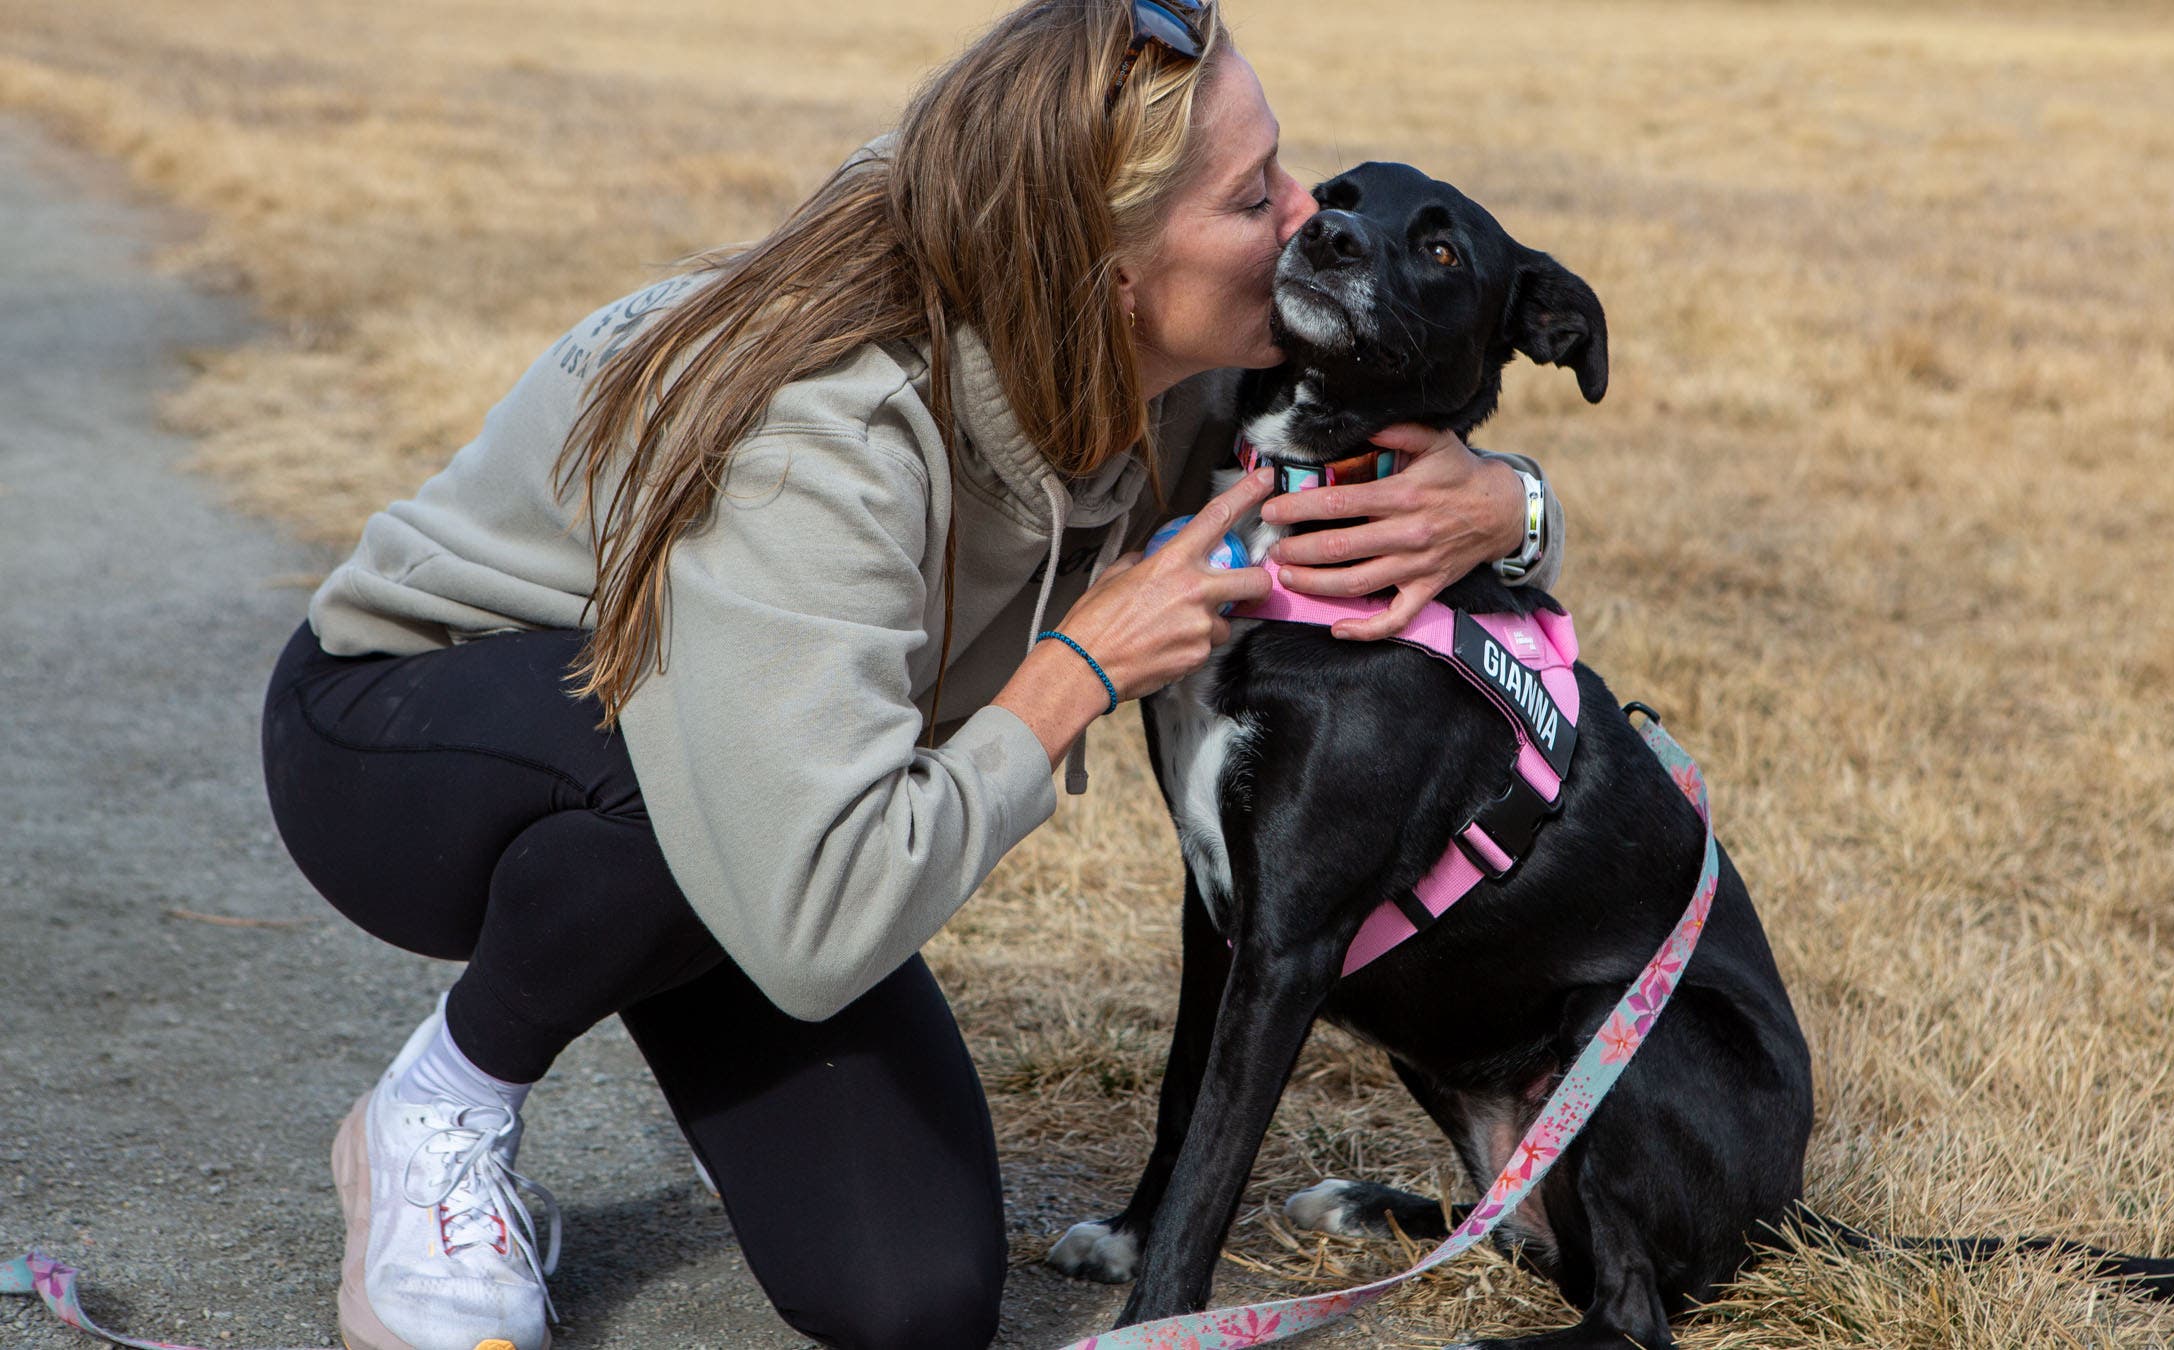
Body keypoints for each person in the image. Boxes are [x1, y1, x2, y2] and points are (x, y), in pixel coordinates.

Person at [258, 2, 1568, 1347]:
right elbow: (827, 908)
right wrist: (1075, 671)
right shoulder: (824, 430)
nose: (1306, 220)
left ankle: (684, 972)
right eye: (1255, 200)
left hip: (769, 788)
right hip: (413, 723)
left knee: (913, 1293)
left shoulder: (1176, 357)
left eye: (1286, 167)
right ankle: (442, 1104)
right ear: (1110, 265)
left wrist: (1506, 506)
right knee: (692, 810)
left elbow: (1381, 475)